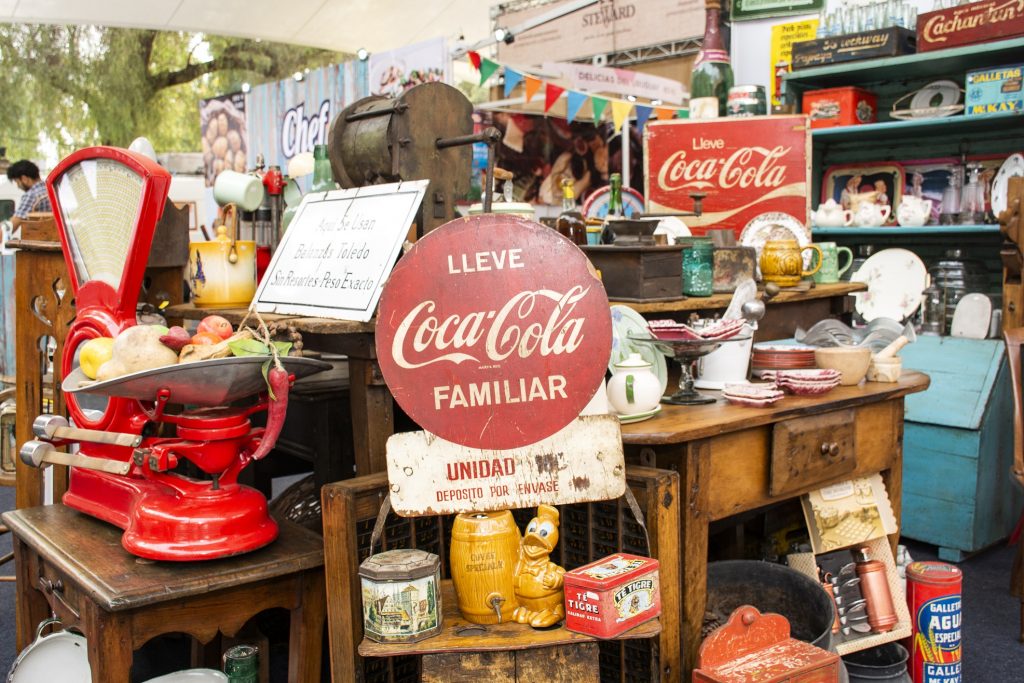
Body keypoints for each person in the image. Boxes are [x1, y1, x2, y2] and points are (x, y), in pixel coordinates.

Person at [6, 160, 51, 230]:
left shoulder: (32, 195)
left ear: (24, 178)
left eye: (17, 182)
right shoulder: (51, 189)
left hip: (38, 235)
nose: (18, 186)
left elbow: (12, 225)